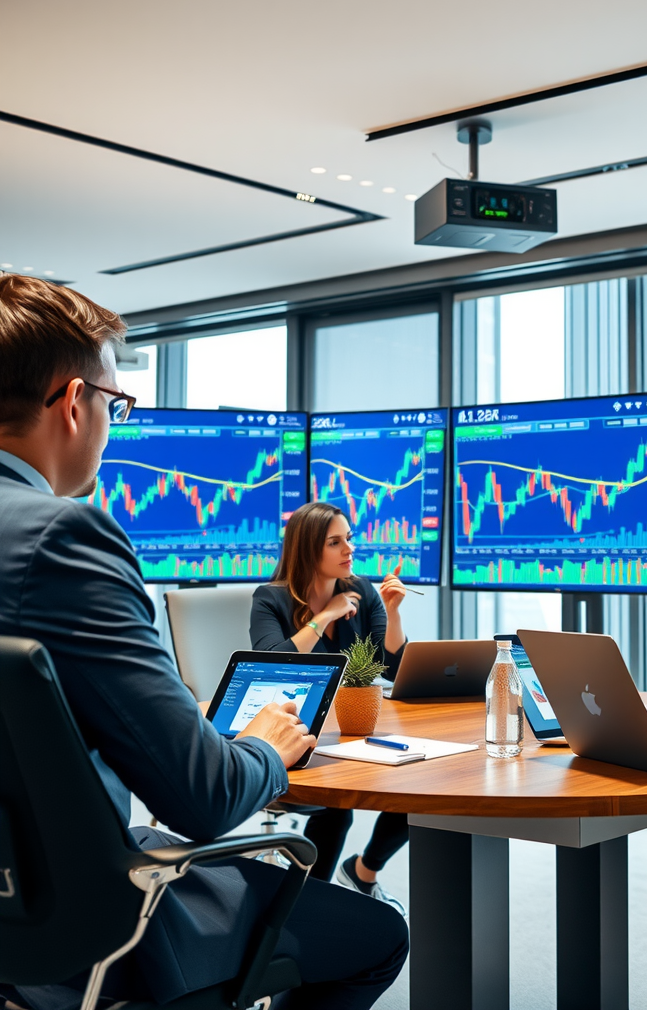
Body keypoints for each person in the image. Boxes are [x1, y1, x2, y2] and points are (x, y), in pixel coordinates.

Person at [0, 274, 407, 1010]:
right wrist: (262, 747)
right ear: (73, 403)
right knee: (377, 936)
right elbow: (203, 798)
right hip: (67, 924)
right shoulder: (62, 538)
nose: (112, 423)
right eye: (115, 403)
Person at [250, 501, 410, 913]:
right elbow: (274, 662)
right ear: (308, 549)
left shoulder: (363, 591)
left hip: (351, 728)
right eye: (335, 542)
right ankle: (307, 906)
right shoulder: (270, 598)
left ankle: (364, 871)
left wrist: (392, 614)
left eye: (349, 539)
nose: (349, 549)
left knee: (417, 786)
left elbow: (392, 668)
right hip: (294, 733)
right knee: (337, 812)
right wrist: (325, 617)